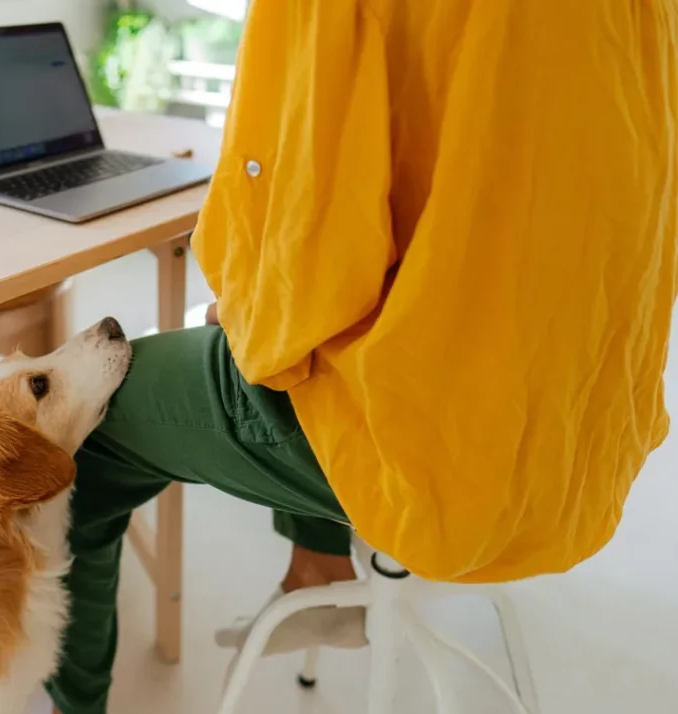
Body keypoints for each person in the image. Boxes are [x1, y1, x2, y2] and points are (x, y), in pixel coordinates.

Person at [47, 1, 678, 713]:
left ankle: (71, 708)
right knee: (299, 330)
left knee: (72, 441)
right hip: (580, 412)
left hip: (429, 432)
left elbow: (305, 235)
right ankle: (314, 565)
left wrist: (249, 297)